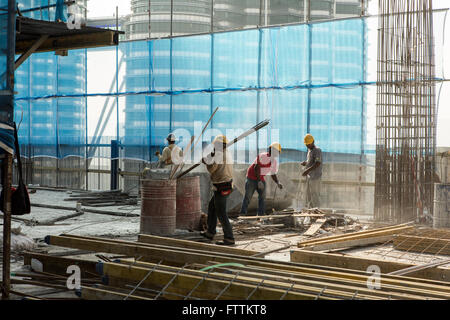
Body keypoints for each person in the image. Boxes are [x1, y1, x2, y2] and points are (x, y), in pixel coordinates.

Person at [200, 135, 235, 246]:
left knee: (221, 213)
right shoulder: (226, 152)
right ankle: (211, 231)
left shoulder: (219, 154)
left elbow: (212, 169)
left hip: (221, 186)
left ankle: (229, 238)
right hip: (226, 184)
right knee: (212, 207)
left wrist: (207, 162)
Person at [239, 142, 283, 216]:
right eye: (276, 151)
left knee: (262, 198)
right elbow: (256, 168)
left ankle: (260, 215)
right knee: (248, 197)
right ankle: (242, 214)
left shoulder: (274, 162)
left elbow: (273, 174)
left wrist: (278, 182)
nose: (277, 154)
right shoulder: (263, 156)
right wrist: (259, 181)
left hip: (260, 178)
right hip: (251, 177)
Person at [301, 134, 322, 208]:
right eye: (306, 144)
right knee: (309, 196)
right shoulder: (310, 151)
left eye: (308, 144)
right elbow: (311, 162)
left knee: (315, 195)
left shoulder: (317, 150)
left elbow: (317, 163)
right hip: (310, 177)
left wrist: (307, 170)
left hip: (315, 177)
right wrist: (306, 163)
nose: (307, 146)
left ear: (313, 142)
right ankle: (310, 210)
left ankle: (316, 210)